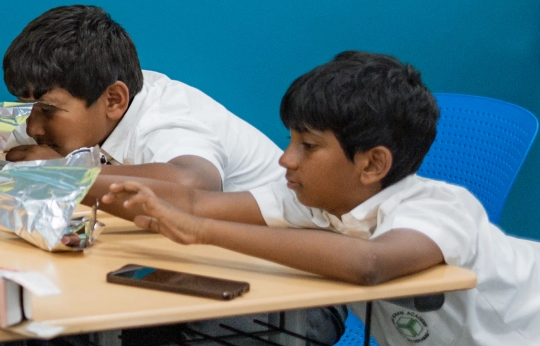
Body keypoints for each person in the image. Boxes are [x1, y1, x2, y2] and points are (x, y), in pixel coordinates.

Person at [101, 51, 540, 345]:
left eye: (307, 146)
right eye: (289, 141)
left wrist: (201, 232)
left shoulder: (439, 209)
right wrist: (64, 182)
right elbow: (192, 204)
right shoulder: (312, 201)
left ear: (371, 165)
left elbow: (368, 263)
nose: (286, 160)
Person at [0, 5, 285, 192]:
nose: (32, 127)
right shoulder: (88, 103)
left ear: (114, 100)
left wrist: (64, 171)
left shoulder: (162, 119)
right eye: (26, 107)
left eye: (48, 110)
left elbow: (196, 184)